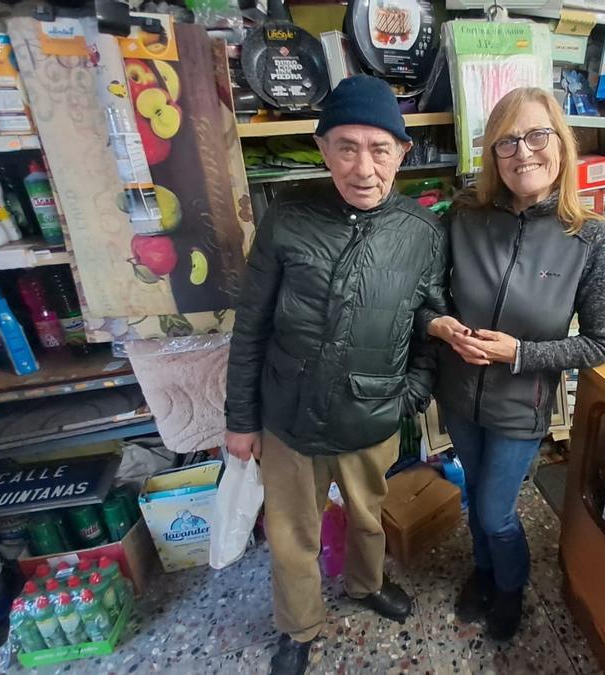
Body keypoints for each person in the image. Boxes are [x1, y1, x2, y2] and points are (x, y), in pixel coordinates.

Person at [224, 75, 446, 675]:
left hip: (372, 412)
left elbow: (432, 323)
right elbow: (251, 328)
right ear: (323, 150)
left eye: (380, 149)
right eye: (346, 147)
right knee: (291, 531)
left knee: (368, 514)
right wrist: (240, 420)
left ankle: (365, 585)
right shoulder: (287, 220)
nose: (364, 167)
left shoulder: (423, 233)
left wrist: (411, 395)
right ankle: (298, 627)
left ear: (403, 153)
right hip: (288, 415)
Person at [422, 87, 605, 640]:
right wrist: (441, 324)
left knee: (495, 512)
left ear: (561, 143)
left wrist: (522, 353)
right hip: (459, 395)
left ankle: (509, 589)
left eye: (537, 135)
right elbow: (429, 296)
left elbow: (603, 342)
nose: (523, 152)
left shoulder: (590, 238)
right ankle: (483, 574)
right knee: (476, 497)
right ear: (492, 155)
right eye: (506, 141)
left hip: (521, 406)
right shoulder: (463, 215)